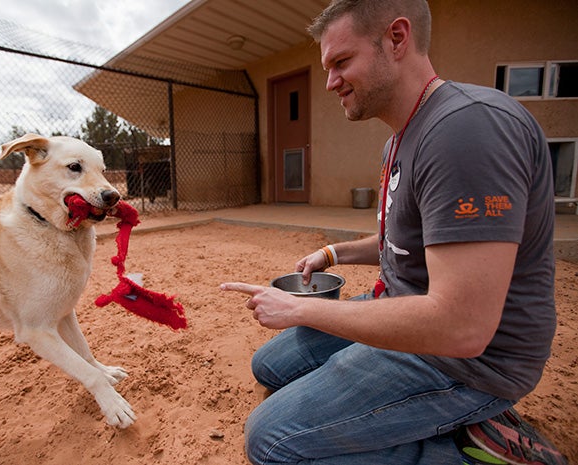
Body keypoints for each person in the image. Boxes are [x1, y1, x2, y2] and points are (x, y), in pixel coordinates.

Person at [220, 0, 567, 464]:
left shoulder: (466, 129)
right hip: (407, 312)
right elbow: (407, 243)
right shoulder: (400, 139)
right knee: (270, 366)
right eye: (327, 67)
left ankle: (476, 450)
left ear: (397, 38)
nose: (329, 82)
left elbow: (461, 328)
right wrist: (333, 253)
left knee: (271, 440)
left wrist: (300, 310)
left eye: (342, 62)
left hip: (471, 362)